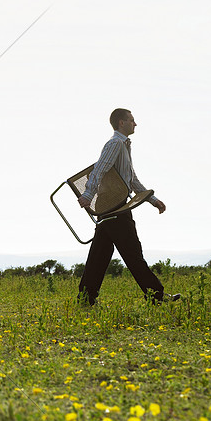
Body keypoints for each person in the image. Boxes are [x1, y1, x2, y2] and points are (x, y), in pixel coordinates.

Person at [77, 108, 180, 305]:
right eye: (132, 120)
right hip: (115, 207)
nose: (136, 123)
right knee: (133, 253)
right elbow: (99, 169)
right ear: (121, 123)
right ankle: (156, 296)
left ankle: (85, 298)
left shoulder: (124, 146)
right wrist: (88, 194)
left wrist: (152, 199)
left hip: (112, 207)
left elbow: (130, 180)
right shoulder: (115, 144)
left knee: (99, 255)